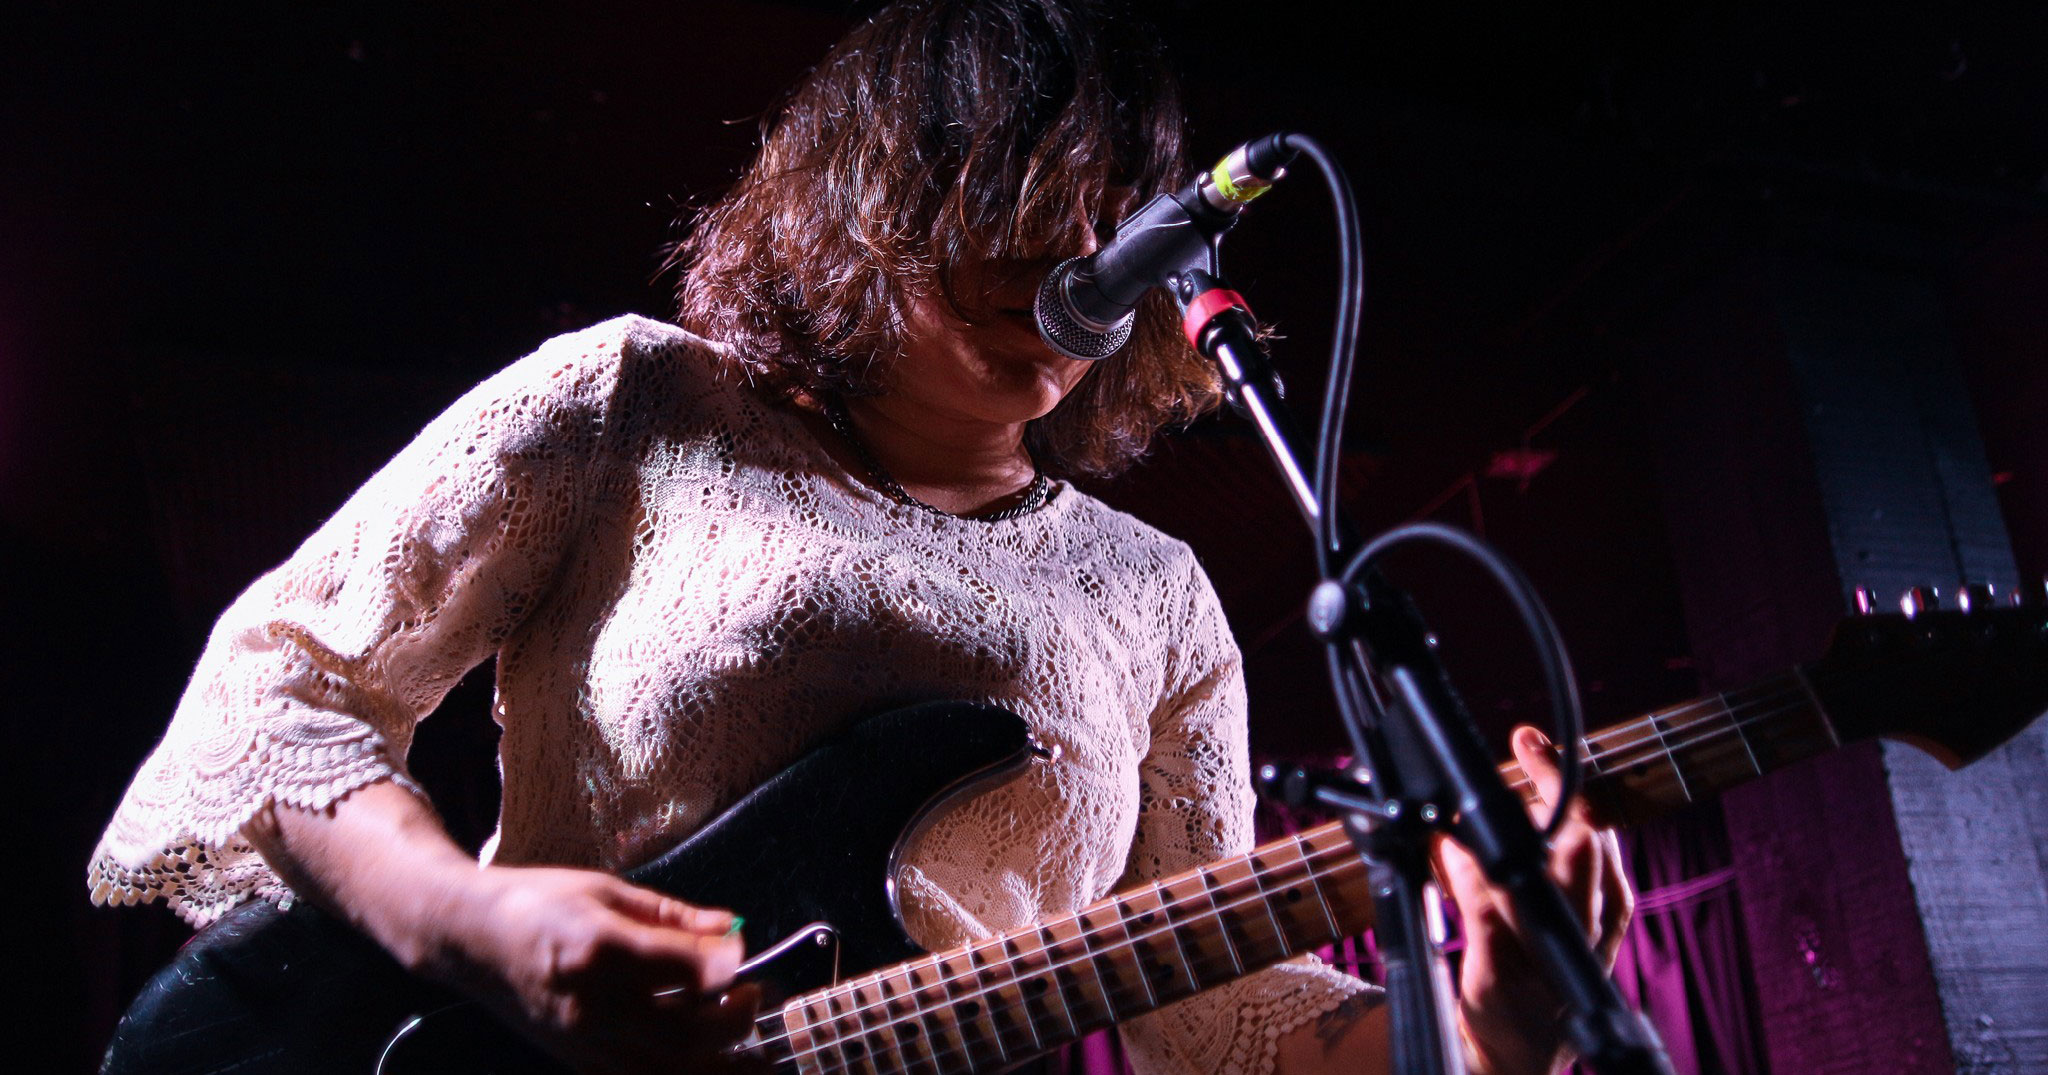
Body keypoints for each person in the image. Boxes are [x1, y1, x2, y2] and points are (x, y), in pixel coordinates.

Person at [88, 2, 1630, 1072]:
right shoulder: (639, 399)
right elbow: (281, 687)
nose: (1067, 270)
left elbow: (1223, 1027)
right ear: (879, 193)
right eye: (1016, 208)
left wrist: (1495, 1038)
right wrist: (468, 914)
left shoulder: (1155, 597)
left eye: (1106, 228)